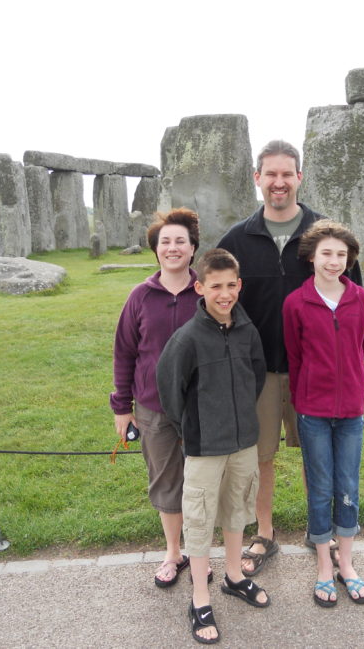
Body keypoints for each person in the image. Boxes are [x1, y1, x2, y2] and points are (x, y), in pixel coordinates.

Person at [217, 140, 364, 575]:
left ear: (299, 177)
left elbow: (354, 299)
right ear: (257, 179)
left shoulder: (324, 234)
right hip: (260, 369)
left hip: (319, 370)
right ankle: (265, 534)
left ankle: (318, 531)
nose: (279, 182)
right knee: (260, 457)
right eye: (271, 174)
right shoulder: (237, 239)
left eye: (287, 174)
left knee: (317, 456)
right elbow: (220, 298)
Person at [157, 248, 270, 644]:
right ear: (199, 287)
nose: (224, 294)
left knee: (238, 507)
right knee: (201, 518)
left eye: (230, 285)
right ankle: (200, 597)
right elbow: (171, 392)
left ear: (239, 285)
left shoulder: (247, 330)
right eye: (215, 286)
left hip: (243, 442)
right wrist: (193, 429)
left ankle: (234, 575)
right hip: (204, 445)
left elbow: (256, 378)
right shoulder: (187, 339)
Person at [109, 207, 201, 589]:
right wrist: (122, 407)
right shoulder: (141, 296)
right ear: (156, 250)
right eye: (166, 242)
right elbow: (124, 352)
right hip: (153, 406)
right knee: (165, 481)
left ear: (193, 248)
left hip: (200, 406)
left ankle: (199, 554)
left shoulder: (207, 291)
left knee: (199, 483)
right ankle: (173, 552)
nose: (173, 248)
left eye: (181, 241)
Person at [283, 220, 364, 607]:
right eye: (327, 254)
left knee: (348, 487)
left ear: (349, 259)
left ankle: (347, 565)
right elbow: (295, 356)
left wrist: (358, 384)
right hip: (313, 412)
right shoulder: (295, 303)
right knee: (320, 490)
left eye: (341, 255)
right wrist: (304, 401)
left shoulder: (360, 298)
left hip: (351, 409)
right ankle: (323, 566)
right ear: (311, 258)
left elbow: (360, 345)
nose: (334, 262)